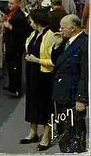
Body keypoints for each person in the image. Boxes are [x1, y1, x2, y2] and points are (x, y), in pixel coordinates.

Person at [51, 14, 88, 153]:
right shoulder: (66, 42)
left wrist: (81, 98)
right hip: (62, 94)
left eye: (62, 27)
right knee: (63, 131)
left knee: (74, 133)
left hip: (73, 96)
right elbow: (57, 63)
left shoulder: (83, 44)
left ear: (72, 28)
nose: (60, 30)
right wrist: (57, 45)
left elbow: (85, 74)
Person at [22, 9, 58, 151]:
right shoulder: (34, 34)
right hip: (33, 74)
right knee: (32, 103)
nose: (29, 23)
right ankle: (33, 132)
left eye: (31, 20)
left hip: (45, 75)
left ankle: (46, 137)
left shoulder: (50, 36)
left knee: (45, 105)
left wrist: (36, 60)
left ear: (37, 21)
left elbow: (54, 61)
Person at [0, 0, 32, 98]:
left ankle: (16, 90)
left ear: (18, 4)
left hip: (16, 45)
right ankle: (12, 86)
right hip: (11, 44)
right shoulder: (13, 12)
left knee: (15, 67)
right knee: (11, 66)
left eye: (12, 3)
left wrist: (10, 27)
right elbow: (5, 9)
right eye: (9, 3)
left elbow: (23, 32)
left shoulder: (19, 16)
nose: (9, 5)